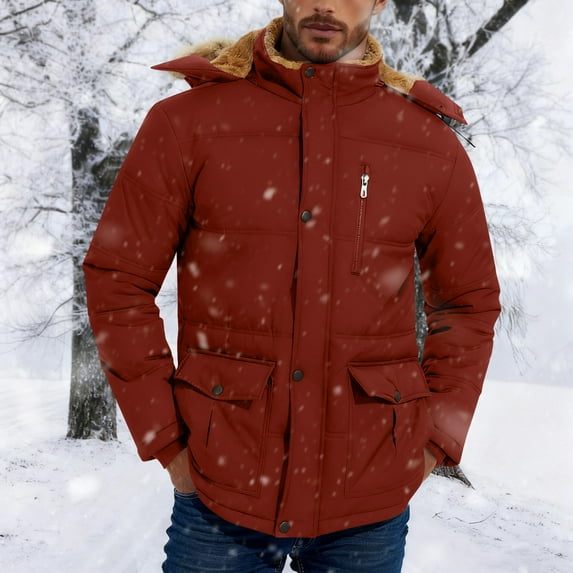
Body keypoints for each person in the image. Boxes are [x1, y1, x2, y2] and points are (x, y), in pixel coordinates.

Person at [83, 0, 501, 571]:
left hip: (370, 497)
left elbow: (469, 304)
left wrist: (432, 444)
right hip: (219, 487)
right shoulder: (186, 123)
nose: (325, 4)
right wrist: (168, 441)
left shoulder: (429, 142)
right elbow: (118, 281)